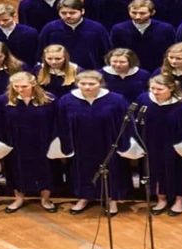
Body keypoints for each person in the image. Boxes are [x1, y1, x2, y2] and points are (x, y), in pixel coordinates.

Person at [54, 70, 131, 215]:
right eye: (83, 84)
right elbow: (61, 123)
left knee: (110, 169)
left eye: (92, 84)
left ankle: (111, 199)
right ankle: (84, 197)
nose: (87, 87)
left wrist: (124, 143)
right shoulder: (67, 100)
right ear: (77, 84)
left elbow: (125, 123)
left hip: (108, 141)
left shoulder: (116, 99)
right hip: (80, 142)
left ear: (100, 83)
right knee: (83, 170)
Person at [0, 72, 58, 213]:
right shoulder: (2, 100)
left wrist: (54, 143)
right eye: (16, 86)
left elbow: (56, 123)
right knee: (16, 170)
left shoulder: (49, 99)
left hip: (42, 142)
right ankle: (18, 198)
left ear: (33, 84)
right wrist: (2, 144)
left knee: (45, 170)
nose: (20, 90)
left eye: (24, 86)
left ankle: (45, 199)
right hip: (15, 143)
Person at [136, 74, 182, 216]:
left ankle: (179, 200)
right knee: (156, 170)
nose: (155, 92)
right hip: (152, 142)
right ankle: (161, 199)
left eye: (159, 89)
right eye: (152, 88)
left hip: (177, 144)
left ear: (171, 88)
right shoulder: (144, 99)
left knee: (179, 171)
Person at [36, 0, 110, 70]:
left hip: (89, 72)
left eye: (72, 13)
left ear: (82, 11)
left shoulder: (97, 29)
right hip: (59, 72)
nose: (68, 16)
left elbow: (106, 52)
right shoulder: (50, 29)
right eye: (63, 13)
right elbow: (41, 53)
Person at [109, 0, 177, 71]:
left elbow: (172, 51)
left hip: (158, 70)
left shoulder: (165, 29)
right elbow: (114, 52)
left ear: (152, 12)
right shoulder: (119, 29)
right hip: (129, 70)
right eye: (134, 13)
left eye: (142, 13)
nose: (137, 17)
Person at [0, 3, 39, 67]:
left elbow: (34, 55)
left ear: (14, 16)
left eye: (5, 20)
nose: (2, 23)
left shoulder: (29, 33)